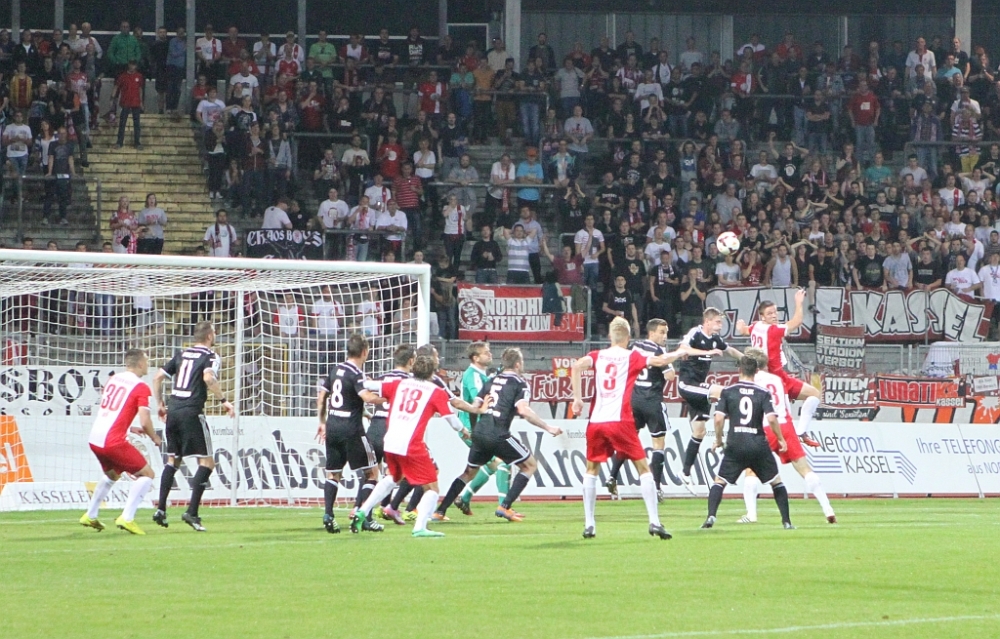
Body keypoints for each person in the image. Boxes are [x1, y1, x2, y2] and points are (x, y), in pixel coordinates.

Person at [571, 316, 676, 540]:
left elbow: (577, 366)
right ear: (628, 337)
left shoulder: (597, 355)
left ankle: (589, 524)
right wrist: (682, 352)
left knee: (591, 470)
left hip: (596, 422)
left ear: (610, 336)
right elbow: (660, 362)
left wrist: (577, 399)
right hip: (620, 421)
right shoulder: (632, 356)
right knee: (644, 469)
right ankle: (654, 521)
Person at [351, 353, 474, 538]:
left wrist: (360, 378)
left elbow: (369, 385)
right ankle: (420, 527)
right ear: (432, 373)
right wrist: (463, 430)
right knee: (432, 488)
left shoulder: (399, 384)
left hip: (390, 441)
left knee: (393, 477)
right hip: (411, 444)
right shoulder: (435, 391)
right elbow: (451, 419)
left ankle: (362, 510)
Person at [436, 347, 563, 521]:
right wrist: (548, 427)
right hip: (498, 433)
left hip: (480, 432)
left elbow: (475, 406)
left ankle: (440, 511)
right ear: (518, 364)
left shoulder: (491, 380)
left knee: (468, 473)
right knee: (529, 466)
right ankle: (505, 506)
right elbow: (524, 411)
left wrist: (475, 430)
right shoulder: (519, 383)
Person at [151, 322, 235, 531]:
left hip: (173, 411)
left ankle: (160, 509)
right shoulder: (211, 356)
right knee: (207, 463)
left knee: (173, 460)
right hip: (191, 412)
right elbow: (208, 377)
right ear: (209, 336)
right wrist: (224, 400)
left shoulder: (182, 354)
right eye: (214, 332)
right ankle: (192, 512)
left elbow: (157, 377)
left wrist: (159, 404)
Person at [742, 348, 836, 524]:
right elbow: (787, 401)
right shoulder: (778, 380)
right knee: (804, 469)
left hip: (765, 427)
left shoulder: (750, 381)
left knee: (751, 470)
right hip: (786, 425)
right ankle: (828, 509)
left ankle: (751, 514)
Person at [701, 356, 794, 530]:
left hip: (735, 443)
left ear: (739, 370)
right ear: (756, 371)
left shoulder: (728, 391)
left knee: (719, 481)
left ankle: (711, 516)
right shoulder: (763, 393)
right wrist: (780, 438)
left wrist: (719, 440)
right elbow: (771, 419)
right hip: (758, 444)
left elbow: (719, 418)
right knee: (776, 482)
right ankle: (787, 522)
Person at [80, 349, 161, 535]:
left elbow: (112, 411)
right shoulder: (141, 387)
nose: (148, 365)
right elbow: (145, 421)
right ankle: (127, 518)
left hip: (96, 438)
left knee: (112, 474)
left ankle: (90, 514)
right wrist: (154, 437)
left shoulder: (113, 379)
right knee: (147, 474)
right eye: (147, 361)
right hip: (112, 440)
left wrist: (128, 428)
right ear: (140, 364)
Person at [314, 333, 384, 534]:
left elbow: (322, 396)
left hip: (333, 426)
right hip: (351, 430)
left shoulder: (336, 369)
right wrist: (387, 398)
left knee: (333, 473)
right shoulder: (357, 373)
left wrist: (321, 422)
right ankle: (362, 517)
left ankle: (328, 515)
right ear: (365, 352)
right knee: (372, 473)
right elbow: (367, 397)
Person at [605, 319, 680, 499]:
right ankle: (656, 487)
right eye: (662, 332)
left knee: (627, 441)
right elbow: (670, 376)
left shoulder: (635, 347)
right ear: (651, 333)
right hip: (652, 401)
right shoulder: (659, 352)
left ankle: (612, 476)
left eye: (666, 332)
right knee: (658, 444)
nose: (665, 336)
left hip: (633, 401)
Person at [735, 289, 822, 441]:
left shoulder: (756, 326)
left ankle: (800, 432)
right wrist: (798, 303)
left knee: (814, 393)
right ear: (762, 316)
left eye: (775, 312)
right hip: (773, 379)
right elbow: (797, 322)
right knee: (784, 417)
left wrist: (740, 325)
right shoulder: (773, 330)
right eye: (770, 313)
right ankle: (792, 435)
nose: (774, 315)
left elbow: (744, 331)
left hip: (779, 376)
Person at [676, 307, 744, 484]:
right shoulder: (695, 333)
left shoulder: (715, 339)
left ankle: (685, 473)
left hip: (699, 388)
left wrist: (748, 361)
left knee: (699, 431)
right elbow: (682, 349)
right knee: (725, 392)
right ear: (707, 321)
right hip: (687, 384)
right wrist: (707, 352)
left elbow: (730, 350)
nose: (720, 325)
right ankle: (737, 430)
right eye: (718, 322)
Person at [369, 345, 416, 525]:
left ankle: (360, 508)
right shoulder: (411, 382)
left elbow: (367, 395)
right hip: (393, 428)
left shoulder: (382, 378)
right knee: (403, 471)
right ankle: (391, 507)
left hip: (374, 427)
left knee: (370, 475)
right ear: (411, 361)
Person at [112, 59, 144, 149]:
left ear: (136, 66)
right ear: (128, 65)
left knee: (137, 124)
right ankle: (119, 142)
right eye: (131, 64)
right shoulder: (123, 76)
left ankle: (137, 143)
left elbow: (140, 89)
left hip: (136, 102)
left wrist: (141, 102)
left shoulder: (139, 76)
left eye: (134, 65)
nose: (132, 66)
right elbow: (116, 86)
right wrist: (112, 97)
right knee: (122, 123)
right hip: (125, 102)